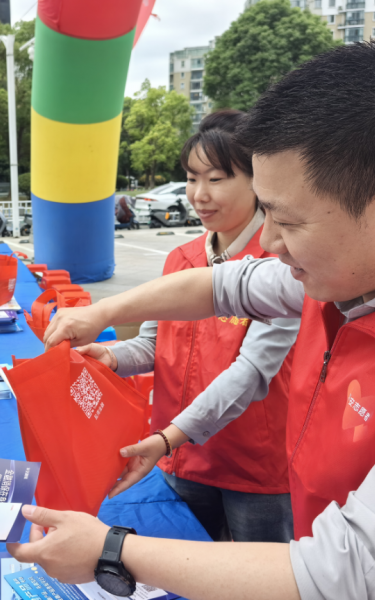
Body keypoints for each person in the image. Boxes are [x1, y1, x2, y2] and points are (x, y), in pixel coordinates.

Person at [8, 41, 375, 600]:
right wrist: (103, 313)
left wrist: (112, 551)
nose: (269, 243)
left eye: (287, 221)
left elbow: (348, 570)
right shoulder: (334, 281)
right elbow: (223, 285)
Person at [78, 110, 298, 543]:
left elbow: (250, 373)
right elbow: (154, 344)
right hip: (181, 459)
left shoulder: (283, 264)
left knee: (255, 572)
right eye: (192, 178)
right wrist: (111, 357)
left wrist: (168, 438)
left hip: (254, 466)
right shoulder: (182, 259)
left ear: (258, 180)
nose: (199, 194)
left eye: (216, 179)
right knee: (184, 564)